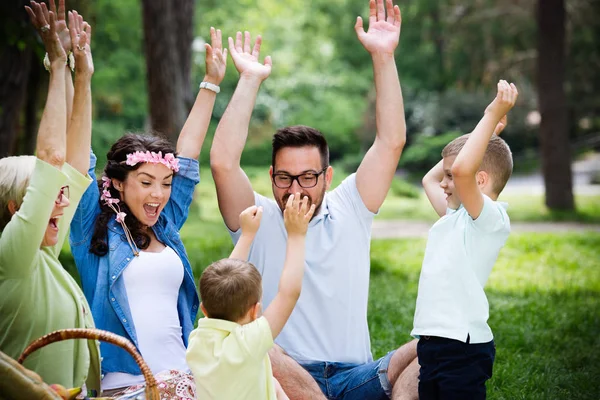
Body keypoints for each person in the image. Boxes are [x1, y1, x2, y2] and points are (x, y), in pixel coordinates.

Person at [209, 0, 418, 398]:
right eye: (285, 178)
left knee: (438, 347)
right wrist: (250, 79)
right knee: (257, 345)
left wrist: (383, 57)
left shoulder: (351, 205)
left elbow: (391, 141)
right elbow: (222, 162)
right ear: (271, 176)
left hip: (357, 375)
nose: (296, 189)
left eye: (308, 177)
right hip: (284, 379)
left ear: (328, 177)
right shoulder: (257, 215)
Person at [68, 26, 227, 396]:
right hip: (128, 385)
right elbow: (77, 163)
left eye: (165, 183)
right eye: (145, 181)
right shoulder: (92, 228)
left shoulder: (166, 223)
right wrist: (81, 75)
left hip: (186, 378)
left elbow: (187, 154)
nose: (159, 194)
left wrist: (211, 83)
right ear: (119, 183)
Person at [0, 0, 99, 393]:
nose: (63, 200)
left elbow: (73, 164)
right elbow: (53, 157)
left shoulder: (42, 256)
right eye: (48, 195)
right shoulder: (13, 256)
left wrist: (84, 76)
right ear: (16, 208)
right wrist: (58, 66)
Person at [413, 80, 519, 399]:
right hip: (432, 344)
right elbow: (430, 178)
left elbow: (460, 172)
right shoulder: (454, 216)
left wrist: (490, 114)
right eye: (447, 174)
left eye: (451, 175)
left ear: (481, 180)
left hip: (463, 349)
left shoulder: (488, 220)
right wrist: (484, 134)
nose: (444, 182)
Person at [187, 195, 315, 399]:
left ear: (204, 309)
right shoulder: (248, 343)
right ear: (255, 311)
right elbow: (288, 293)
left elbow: (224, 283)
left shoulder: (198, 341)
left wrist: (247, 236)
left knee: (272, 383)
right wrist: (297, 236)